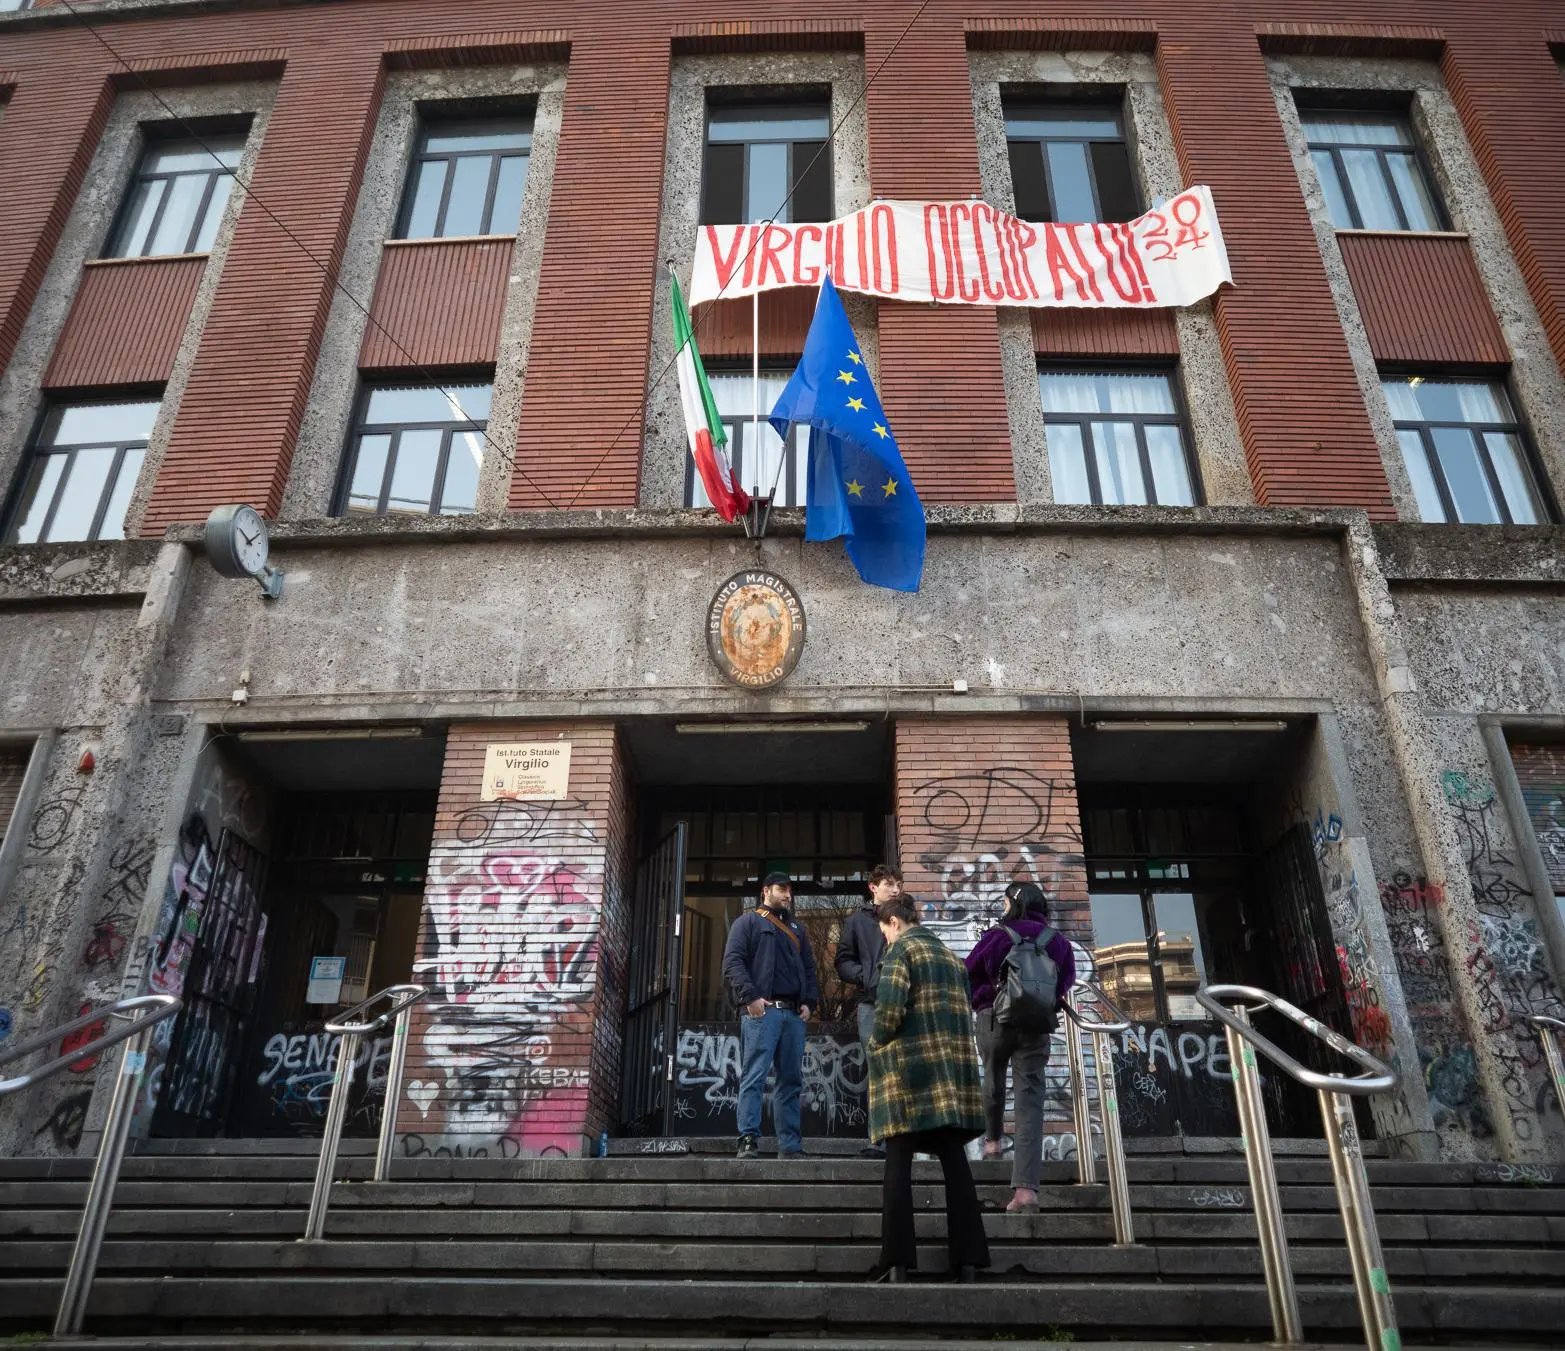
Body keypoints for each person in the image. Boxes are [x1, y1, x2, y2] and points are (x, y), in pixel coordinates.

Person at [866, 896, 990, 1284]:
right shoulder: (952, 960)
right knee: (956, 1166)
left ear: (894, 922)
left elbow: (888, 1014)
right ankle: (968, 1261)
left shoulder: (900, 952)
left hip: (907, 1078)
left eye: (883, 928)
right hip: (948, 1081)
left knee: (898, 1166)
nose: (884, 936)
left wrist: (874, 1043)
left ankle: (897, 1261)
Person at [965, 881, 1076, 1214]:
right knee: (1030, 1101)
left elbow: (968, 972)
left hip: (995, 1020)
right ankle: (1026, 1192)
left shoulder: (997, 936)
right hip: (1036, 1026)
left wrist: (983, 1000)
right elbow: (1065, 982)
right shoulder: (1058, 943)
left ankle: (993, 1142)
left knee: (993, 1076)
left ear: (1012, 903)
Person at [720, 870, 820, 1160]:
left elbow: (810, 970)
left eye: (790, 890)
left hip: (792, 1015)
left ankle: (790, 1145)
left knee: (791, 1081)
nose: (787, 894)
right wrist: (750, 997)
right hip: (762, 1013)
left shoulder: (798, 931)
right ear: (766, 890)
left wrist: (809, 1002)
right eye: (781, 888)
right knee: (754, 1075)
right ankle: (748, 1140)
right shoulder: (748, 922)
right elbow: (733, 961)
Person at [836, 864, 900, 1156]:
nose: (896, 888)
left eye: (898, 883)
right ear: (873, 887)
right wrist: (866, 975)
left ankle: (905, 1139)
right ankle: (879, 1139)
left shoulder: (906, 916)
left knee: (902, 1068)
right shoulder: (857, 922)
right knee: (878, 1069)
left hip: (904, 1001)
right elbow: (843, 961)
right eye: (889, 883)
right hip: (871, 1004)